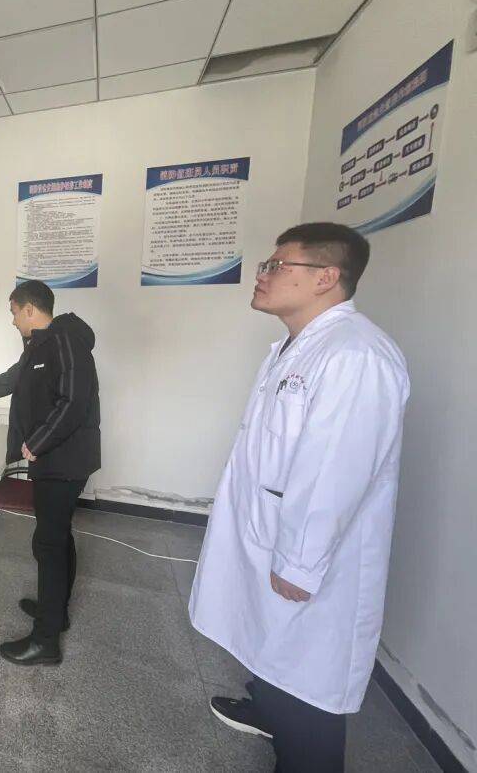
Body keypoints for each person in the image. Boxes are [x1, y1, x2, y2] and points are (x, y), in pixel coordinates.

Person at [188, 223, 409, 772]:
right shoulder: (296, 348)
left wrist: (301, 562)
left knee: (308, 680)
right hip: (271, 535)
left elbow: (336, 472)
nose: (262, 275)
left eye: (277, 265)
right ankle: (267, 709)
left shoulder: (356, 355)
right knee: (274, 649)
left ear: (326, 278)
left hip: (311, 558)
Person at [0, 280, 100, 666]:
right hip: (55, 460)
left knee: (49, 544)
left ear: (29, 309)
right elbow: (8, 381)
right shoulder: (40, 345)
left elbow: (73, 402)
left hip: (63, 462)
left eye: (13, 312)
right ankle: (55, 611)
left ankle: (45, 642)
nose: (12, 321)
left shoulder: (64, 341)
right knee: (56, 538)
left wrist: (37, 442)